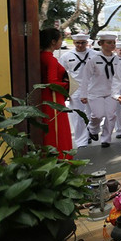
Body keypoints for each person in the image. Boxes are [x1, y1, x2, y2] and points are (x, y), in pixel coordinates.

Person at [78, 32, 121, 149]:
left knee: (111, 116)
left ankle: (106, 139)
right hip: (95, 93)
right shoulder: (93, 59)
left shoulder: (118, 60)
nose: (112, 45)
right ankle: (92, 128)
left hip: (112, 93)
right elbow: (85, 78)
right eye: (109, 42)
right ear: (101, 44)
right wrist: (83, 94)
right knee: (98, 115)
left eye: (113, 43)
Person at [39, 28, 72, 159]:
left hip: (45, 96)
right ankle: (61, 159)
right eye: (60, 39)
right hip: (53, 98)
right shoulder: (50, 59)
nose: (61, 42)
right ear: (53, 42)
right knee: (57, 130)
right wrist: (68, 85)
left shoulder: (41, 56)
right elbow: (52, 82)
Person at [59, 33, 92, 150]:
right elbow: (61, 73)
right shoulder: (67, 56)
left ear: (87, 43)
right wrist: (66, 90)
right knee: (77, 116)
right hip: (76, 88)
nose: (80, 45)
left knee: (93, 114)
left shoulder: (95, 55)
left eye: (83, 43)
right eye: (77, 43)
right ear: (73, 43)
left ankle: (90, 131)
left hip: (92, 88)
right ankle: (81, 141)